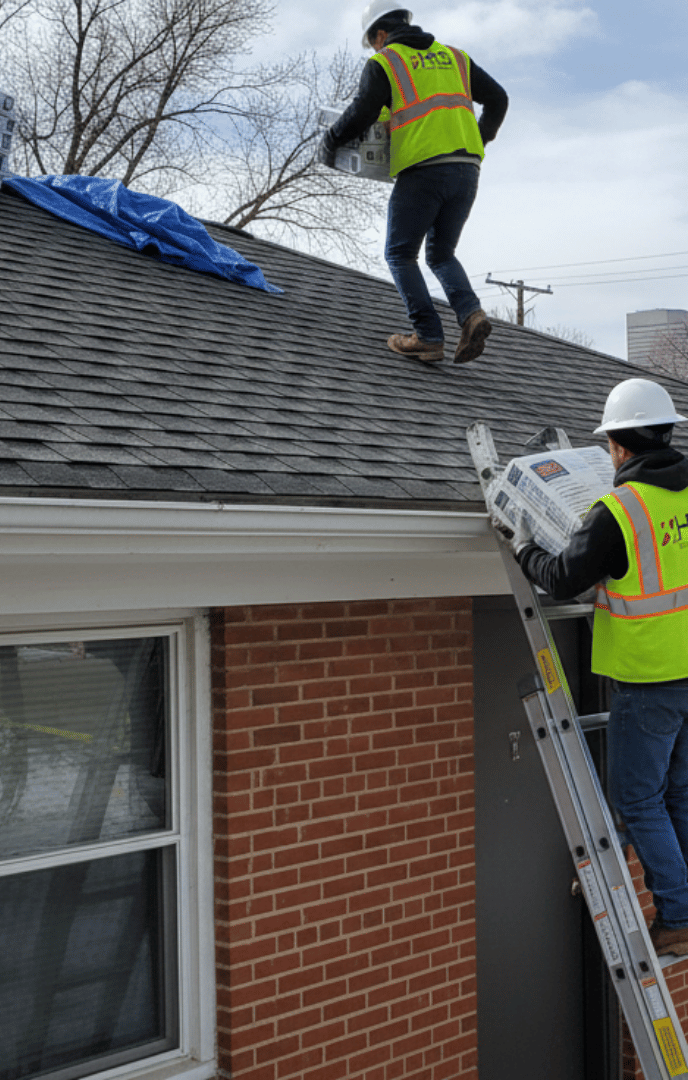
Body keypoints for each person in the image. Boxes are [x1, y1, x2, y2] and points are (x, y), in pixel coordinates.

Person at [504, 378, 688, 955]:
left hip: (647, 678)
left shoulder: (619, 510)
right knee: (678, 795)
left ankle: (679, 916)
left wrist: (521, 547)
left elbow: (561, 578)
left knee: (638, 801)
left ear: (618, 447)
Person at [320, 2, 508, 364]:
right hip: (467, 170)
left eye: (374, 43)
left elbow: (362, 112)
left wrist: (330, 142)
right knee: (441, 254)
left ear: (380, 34)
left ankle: (427, 336)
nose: (376, 49)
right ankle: (471, 316)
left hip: (423, 171)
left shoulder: (385, 62)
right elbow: (499, 98)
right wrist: (479, 139)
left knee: (400, 253)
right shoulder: (454, 57)